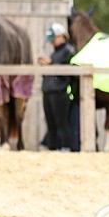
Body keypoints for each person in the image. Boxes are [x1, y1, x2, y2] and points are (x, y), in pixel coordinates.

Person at [37, 22, 75, 151]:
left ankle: (65, 147)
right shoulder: (55, 53)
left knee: (62, 123)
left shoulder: (68, 51)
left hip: (60, 92)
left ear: (61, 36)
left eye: (53, 39)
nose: (52, 42)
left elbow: (67, 72)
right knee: (51, 124)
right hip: (48, 91)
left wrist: (51, 64)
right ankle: (52, 148)